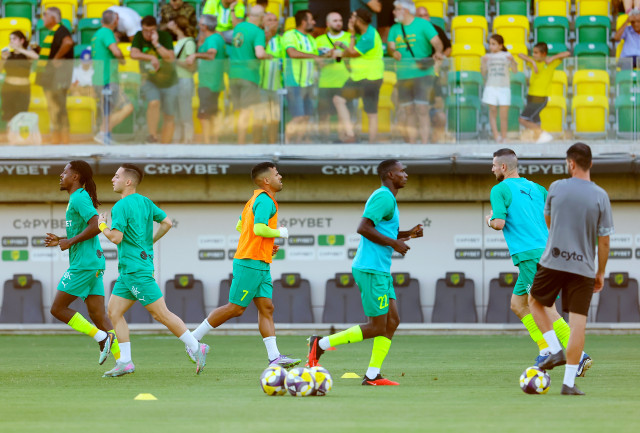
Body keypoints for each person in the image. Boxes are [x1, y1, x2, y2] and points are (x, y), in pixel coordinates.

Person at [307, 159, 423, 385]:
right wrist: (395, 243)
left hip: (380, 269)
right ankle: (320, 344)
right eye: (402, 171)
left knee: (392, 321)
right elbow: (363, 227)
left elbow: (382, 230)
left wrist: (407, 234)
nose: (406, 174)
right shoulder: (383, 197)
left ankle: (372, 375)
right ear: (390, 175)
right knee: (377, 326)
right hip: (371, 269)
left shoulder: (389, 199)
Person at [99, 164, 209, 377]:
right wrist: (150, 242)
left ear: (128, 181)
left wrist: (102, 225)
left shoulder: (120, 206)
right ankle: (125, 362)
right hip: (129, 272)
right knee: (114, 311)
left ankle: (196, 346)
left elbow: (116, 237)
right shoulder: (146, 202)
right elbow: (167, 223)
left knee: (161, 314)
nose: (113, 179)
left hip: (136, 271)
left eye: (116, 176)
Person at [487, 148, 591, 372]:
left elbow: (499, 223)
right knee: (518, 304)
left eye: (494, 165)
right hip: (547, 252)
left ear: (503, 167)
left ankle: (579, 356)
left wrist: (489, 220)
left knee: (545, 307)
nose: (492, 169)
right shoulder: (538, 189)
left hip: (529, 254)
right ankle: (545, 349)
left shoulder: (499, 189)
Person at [188, 162, 301, 369]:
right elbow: (259, 229)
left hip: (260, 262)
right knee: (236, 308)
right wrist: (280, 233)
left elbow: (241, 226)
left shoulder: (254, 199)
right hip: (250, 262)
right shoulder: (265, 200)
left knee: (267, 307)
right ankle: (192, 340)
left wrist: (266, 245)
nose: (280, 177)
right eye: (277, 174)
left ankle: (274, 357)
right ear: (266, 180)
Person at [528, 143, 614, 395]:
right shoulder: (601, 196)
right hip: (583, 267)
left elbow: (548, 220)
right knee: (577, 325)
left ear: (571, 163)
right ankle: (568, 384)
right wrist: (600, 272)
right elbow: (604, 241)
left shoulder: (556, 187)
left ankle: (555, 350)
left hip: (554, 260)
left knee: (534, 301)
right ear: (591, 164)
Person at [44, 160, 119, 366]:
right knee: (98, 315)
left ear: (75, 176)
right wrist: (62, 239)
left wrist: (70, 242)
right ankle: (123, 361)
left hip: (84, 264)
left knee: (57, 309)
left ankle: (101, 337)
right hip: (93, 263)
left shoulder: (78, 197)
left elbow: (96, 225)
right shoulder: (77, 198)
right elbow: (84, 229)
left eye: (65, 172)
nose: (61, 175)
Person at [387, 0, 443, 144]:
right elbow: (390, 47)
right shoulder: (394, 28)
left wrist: (438, 52)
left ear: (405, 10)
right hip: (403, 75)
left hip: (423, 73)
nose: (393, 12)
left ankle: (424, 144)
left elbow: (437, 42)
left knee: (422, 109)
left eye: (396, 9)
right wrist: (393, 52)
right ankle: (412, 145)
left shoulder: (423, 24)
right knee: (409, 110)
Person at [333, 8, 385, 143]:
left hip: (370, 78)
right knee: (338, 99)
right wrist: (344, 47)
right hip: (357, 76)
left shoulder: (369, 36)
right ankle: (350, 134)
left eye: (352, 17)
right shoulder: (361, 34)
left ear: (359, 20)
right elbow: (351, 51)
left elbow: (352, 53)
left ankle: (372, 144)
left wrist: (350, 35)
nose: (350, 20)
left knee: (371, 113)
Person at [283, 10, 331, 143]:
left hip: (309, 83)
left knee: (306, 116)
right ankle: (285, 142)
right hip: (294, 82)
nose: (314, 22)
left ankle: (298, 143)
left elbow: (316, 56)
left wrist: (328, 56)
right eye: (311, 20)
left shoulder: (311, 39)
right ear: (303, 22)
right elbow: (292, 53)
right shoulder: (290, 35)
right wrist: (315, 57)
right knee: (298, 117)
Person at [131, 15, 179, 144]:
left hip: (170, 81)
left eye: (151, 31)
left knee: (169, 114)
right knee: (153, 103)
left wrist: (156, 44)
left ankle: (165, 144)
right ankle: (152, 136)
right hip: (150, 80)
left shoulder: (165, 36)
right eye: (145, 31)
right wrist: (151, 58)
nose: (147, 34)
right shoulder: (138, 36)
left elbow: (170, 58)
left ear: (156, 29)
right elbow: (133, 54)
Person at [228, 5, 271, 144]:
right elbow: (259, 54)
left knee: (238, 110)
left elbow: (235, 22)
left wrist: (232, 10)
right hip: (249, 76)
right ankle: (241, 145)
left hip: (233, 74)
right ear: (261, 17)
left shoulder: (239, 27)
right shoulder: (258, 32)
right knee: (246, 111)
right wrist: (269, 56)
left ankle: (237, 140)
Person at [91, 10, 134, 145]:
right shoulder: (107, 32)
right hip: (107, 79)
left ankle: (104, 136)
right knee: (128, 107)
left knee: (107, 112)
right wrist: (122, 60)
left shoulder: (96, 34)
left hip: (98, 79)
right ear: (116, 21)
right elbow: (116, 52)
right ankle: (102, 132)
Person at [518, 42, 570, 144]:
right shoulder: (533, 61)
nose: (533, 54)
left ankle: (543, 134)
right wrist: (532, 62)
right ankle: (539, 140)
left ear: (543, 54)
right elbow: (520, 55)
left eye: (536, 53)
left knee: (522, 119)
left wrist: (552, 58)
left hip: (541, 98)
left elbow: (567, 53)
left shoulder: (551, 63)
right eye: (533, 52)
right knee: (535, 120)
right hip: (531, 96)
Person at [36, 7, 74, 144]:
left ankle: (60, 137)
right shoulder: (54, 32)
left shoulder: (61, 30)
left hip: (57, 78)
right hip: (51, 77)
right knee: (55, 106)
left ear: (53, 18)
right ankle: (59, 137)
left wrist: (56, 58)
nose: (43, 18)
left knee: (57, 107)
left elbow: (68, 42)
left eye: (45, 15)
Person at [187, 14, 226, 144]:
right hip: (214, 81)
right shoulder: (216, 38)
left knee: (204, 115)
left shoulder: (212, 39)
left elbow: (211, 55)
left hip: (209, 81)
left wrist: (194, 55)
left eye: (200, 24)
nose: (199, 26)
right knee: (212, 113)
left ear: (205, 26)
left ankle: (207, 142)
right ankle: (213, 141)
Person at [315, 11, 352, 136]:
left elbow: (355, 55)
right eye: (335, 21)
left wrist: (344, 47)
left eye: (340, 20)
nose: (338, 23)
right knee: (324, 115)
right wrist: (328, 55)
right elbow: (317, 61)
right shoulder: (319, 40)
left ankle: (343, 139)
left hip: (345, 82)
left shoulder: (349, 37)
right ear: (327, 23)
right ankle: (324, 141)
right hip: (325, 82)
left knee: (343, 116)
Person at [481, 35, 517, 143]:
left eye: (493, 44)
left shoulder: (507, 55)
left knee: (503, 114)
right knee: (492, 111)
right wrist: (483, 62)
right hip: (491, 87)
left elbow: (515, 70)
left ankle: (504, 137)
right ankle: (496, 136)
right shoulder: (487, 57)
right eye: (490, 44)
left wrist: (512, 60)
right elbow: (483, 73)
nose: (491, 46)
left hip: (504, 88)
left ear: (500, 46)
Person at [168, 16, 197, 143]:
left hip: (184, 79)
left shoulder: (189, 42)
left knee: (185, 111)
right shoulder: (179, 42)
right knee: (177, 113)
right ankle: (177, 139)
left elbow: (191, 66)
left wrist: (174, 61)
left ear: (176, 25)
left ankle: (188, 139)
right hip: (176, 80)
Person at [0, 31, 38, 124]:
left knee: (22, 115)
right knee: (9, 115)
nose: (11, 41)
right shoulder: (8, 54)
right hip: (9, 87)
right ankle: (10, 131)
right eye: (10, 39)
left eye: (14, 39)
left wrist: (19, 49)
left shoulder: (27, 54)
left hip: (23, 89)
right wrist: (3, 59)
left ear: (22, 40)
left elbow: (36, 57)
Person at [258, 12, 285, 144]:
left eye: (275, 20)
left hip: (276, 85)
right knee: (259, 117)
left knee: (274, 117)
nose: (273, 22)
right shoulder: (259, 37)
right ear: (263, 23)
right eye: (269, 20)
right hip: (260, 84)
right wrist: (267, 37)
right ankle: (256, 145)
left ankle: (272, 143)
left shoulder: (281, 40)